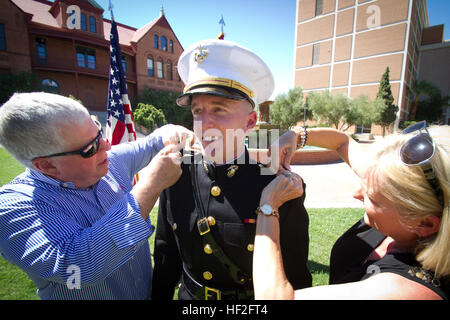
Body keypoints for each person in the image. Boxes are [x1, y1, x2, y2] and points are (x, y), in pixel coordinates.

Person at [151, 39, 312, 300]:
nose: (204, 123)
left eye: (219, 109)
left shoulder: (276, 185)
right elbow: (165, 258)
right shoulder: (176, 175)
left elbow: (296, 276)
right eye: (197, 111)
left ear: (250, 121)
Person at [0, 92, 192, 300]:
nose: (107, 146)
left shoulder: (108, 161)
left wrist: (175, 133)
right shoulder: (14, 206)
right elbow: (80, 267)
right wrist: (151, 185)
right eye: (90, 148)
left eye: (98, 133)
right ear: (46, 165)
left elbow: (156, 140)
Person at [253, 124, 449, 299]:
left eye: (372, 197)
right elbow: (342, 142)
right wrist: (296, 135)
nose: (357, 194)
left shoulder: (406, 291)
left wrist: (268, 206)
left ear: (425, 224)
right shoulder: (395, 191)